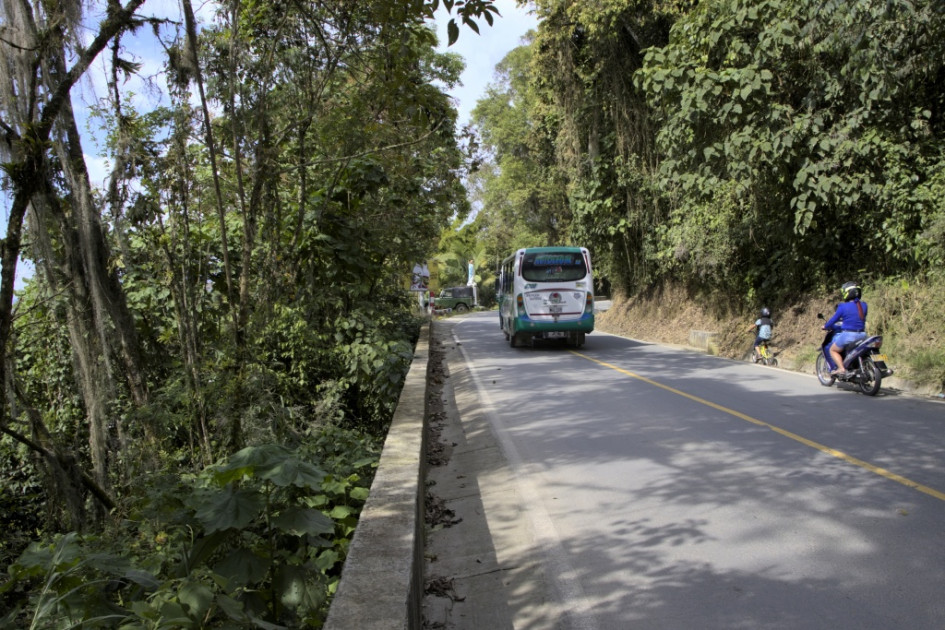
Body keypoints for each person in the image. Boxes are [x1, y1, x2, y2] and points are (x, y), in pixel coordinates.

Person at [822, 281, 868, 376]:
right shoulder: (864, 305)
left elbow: (833, 320)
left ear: (847, 293)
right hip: (863, 335)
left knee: (832, 350)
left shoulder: (842, 307)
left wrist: (825, 326)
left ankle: (841, 368)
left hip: (848, 335)